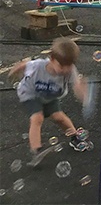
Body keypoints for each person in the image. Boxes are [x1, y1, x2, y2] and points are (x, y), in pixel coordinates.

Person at [9, 37, 92, 167]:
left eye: (69, 65)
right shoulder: (38, 66)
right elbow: (25, 64)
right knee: (37, 118)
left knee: (59, 117)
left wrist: (82, 93)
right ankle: (36, 150)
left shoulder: (70, 70)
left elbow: (76, 85)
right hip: (31, 93)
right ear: (52, 59)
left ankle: (75, 138)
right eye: (62, 66)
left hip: (50, 96)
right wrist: (15, 70)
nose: (65, 69)